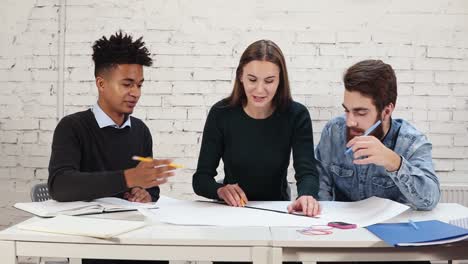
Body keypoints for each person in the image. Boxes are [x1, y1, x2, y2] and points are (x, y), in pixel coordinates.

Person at [48, 31, 173, 264]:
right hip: (92, 241)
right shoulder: (72, 127)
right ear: (101, 84)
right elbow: (60, 186)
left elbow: (151, 190)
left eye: (139, 84)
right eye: (127, 84)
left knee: (162, 255)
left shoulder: (140, 131)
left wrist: (146, 193)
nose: (135, 92)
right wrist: (127, 178)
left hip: (137, 236)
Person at [192, 39, 321, 219]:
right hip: (231, 210)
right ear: (240, 76)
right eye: (252, 79)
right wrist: (220, 190)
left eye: (269, 81)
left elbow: (306, 171)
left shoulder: (296, 115)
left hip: (278, 210)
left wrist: (307, 195)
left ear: (280, 81)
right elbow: (200, 179)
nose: (260, 90)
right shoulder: (221, 114)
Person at [317, 59, 440, 211]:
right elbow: (320, 188)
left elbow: (430, 201)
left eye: (360, 112)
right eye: (347, 110)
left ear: (387, 111)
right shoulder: (334, 131)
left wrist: (394, 163)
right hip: (343, 228)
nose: (350, 122)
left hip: (392, 230)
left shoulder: (411, 142)